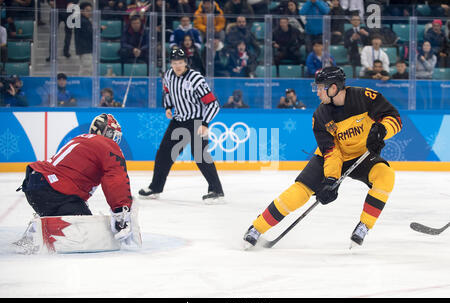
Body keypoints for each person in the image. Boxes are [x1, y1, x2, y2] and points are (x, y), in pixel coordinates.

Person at [243, 66, 402, 249]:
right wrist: (331, 180)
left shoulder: (365, 97)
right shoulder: (320, 115)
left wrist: (382, 130)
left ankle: (364, 225)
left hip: (361, 155)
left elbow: (394, 118)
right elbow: (330, 151)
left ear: (334, 88)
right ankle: (257, 227)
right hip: (331, 158)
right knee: (300, 192)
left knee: (385, 176)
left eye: (320, 87)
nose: (317, 92)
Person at [15, 114, 139, 252]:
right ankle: (39, 235)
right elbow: (116, 178)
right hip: (53, 190)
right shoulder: (106, 145)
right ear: (105, 131)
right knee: (85, 230)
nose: (114, 140)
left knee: (75, 214)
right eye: (112, 134)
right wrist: (121, 211)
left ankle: (39, 227)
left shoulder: (80, 139)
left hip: (35, 184)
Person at [138, 48, 225, 203]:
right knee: (164, 153)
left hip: (197, 120)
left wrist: (205, 123)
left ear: (186, 63)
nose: (177, 66)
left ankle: (216, 190)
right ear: (171, 64)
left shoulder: (196, 78)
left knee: (200, 155)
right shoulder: (168, 75)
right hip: (178, 120)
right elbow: (167, 92)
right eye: (174, 62)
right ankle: (155, 187)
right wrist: (168, 107)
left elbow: (213, 104)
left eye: (180, 62)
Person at [74, 2, 93, 76]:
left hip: (84, 48)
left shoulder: (83, 20)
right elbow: (89, 34)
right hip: (85, 49)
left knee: (85, 68)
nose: (89, 13)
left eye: (90, 10)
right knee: (86, 69)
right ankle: (84, 85)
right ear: (81, 10)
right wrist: (98, 29)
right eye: (87, 10)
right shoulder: (83, 21)